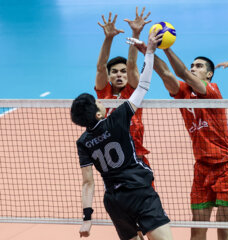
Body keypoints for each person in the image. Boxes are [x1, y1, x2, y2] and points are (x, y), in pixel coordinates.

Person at [131, 35, 228, 240]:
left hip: (226, 166)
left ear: (209, 74)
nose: (193, 68)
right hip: (201, 167)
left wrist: (165, 47)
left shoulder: (212, 92)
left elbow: (181, 72)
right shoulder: (183, 93)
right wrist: (148, 51)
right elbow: (165, 73)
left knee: (224, 227)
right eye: (192, 65)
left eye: (198, 66)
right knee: (197, 230)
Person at [71, 31, 173, 240]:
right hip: (137, 185)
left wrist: (87, 218)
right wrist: (150, 52)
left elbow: (88, 182)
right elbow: (144, 84)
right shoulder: (117, 119)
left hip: (114, 198)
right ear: (98, 111)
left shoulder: (83, 142)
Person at [95, 8, 153, 183]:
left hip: (137, 158)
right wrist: (108, 38)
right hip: (113, 160)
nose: (119, 74)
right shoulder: (103, 93)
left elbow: (133, 64)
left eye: (123, 71)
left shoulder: (133, 92)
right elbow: (101, 66)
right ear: (109, 76)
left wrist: (135, 33)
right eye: (114, 72)